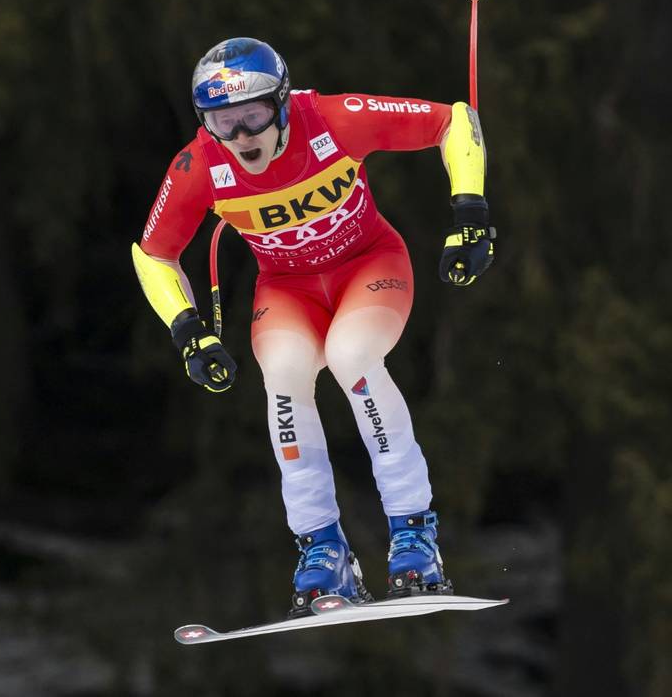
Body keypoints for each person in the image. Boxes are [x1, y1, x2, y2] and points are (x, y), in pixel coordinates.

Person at [132, 37, 495, 616]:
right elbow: (153, 253)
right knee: (283, 375)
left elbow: (453, 121)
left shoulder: (332, 119)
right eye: (223, 122)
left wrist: (470, 213)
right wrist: (187, 331)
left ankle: (414, 534)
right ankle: (323, 548)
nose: (242, 136)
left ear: (281, 102)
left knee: (353, 357)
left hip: (369, 265)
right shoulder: (199, 165)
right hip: (288, 288)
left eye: (254, 115)